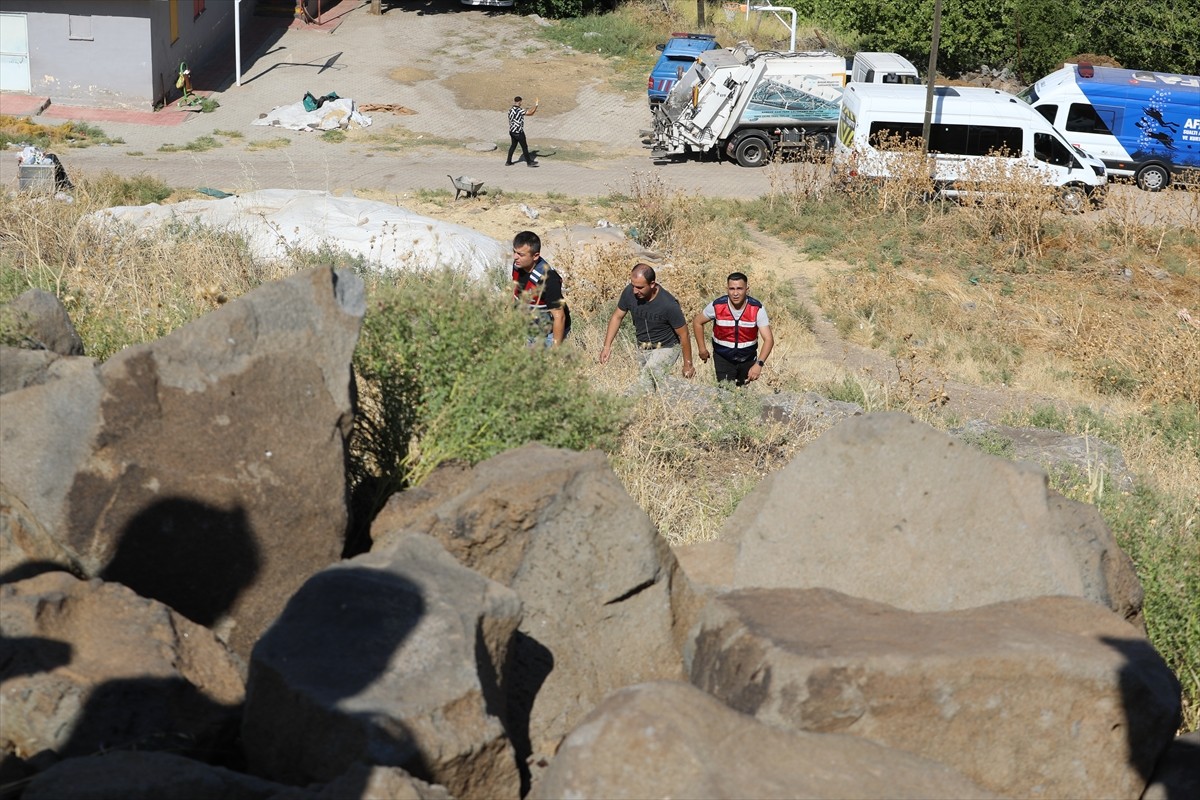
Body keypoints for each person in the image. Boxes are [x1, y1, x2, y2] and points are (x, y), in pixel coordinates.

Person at [600, 263, 695, 388]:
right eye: (633, 285)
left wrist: (688, 364)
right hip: (643, 347)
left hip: (666, 347)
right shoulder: (629, 292)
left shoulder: (668, 304)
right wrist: (607, 346)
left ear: (652, 284)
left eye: (639, 287)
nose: (635, 290)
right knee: (651, 384)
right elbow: (617, 317)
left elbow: (684, 334)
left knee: (646, 379)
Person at [692, 272, 773, 386]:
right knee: (726, 393)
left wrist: (758, 364)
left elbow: (768, 339)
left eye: (739, 289)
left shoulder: (757, 309)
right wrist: (702, 349)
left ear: (747, 289)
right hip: (723, 357)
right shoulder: (717, 305)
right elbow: (697, 322)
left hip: (748, 359)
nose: (735, 293)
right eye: (732, 289)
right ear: (727, 289)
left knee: (743, 395)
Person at [512, 230, 569, 347]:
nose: (515, 257)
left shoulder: (549, 279)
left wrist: (555, 351)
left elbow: (559, 316)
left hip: (549, 333)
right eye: (514, 252)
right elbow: (516, 294)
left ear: (535, 256)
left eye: (521, 254)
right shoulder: (518, 265)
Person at [506, 96, 538, 167]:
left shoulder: (510, 110)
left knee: (513, 146)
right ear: (520, 101)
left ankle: (508, 161)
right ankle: (529, 162)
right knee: (524, 147)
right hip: (519, 132)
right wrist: (536, 106)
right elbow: (531, 113)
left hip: (512, 131)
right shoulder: (520, 110)